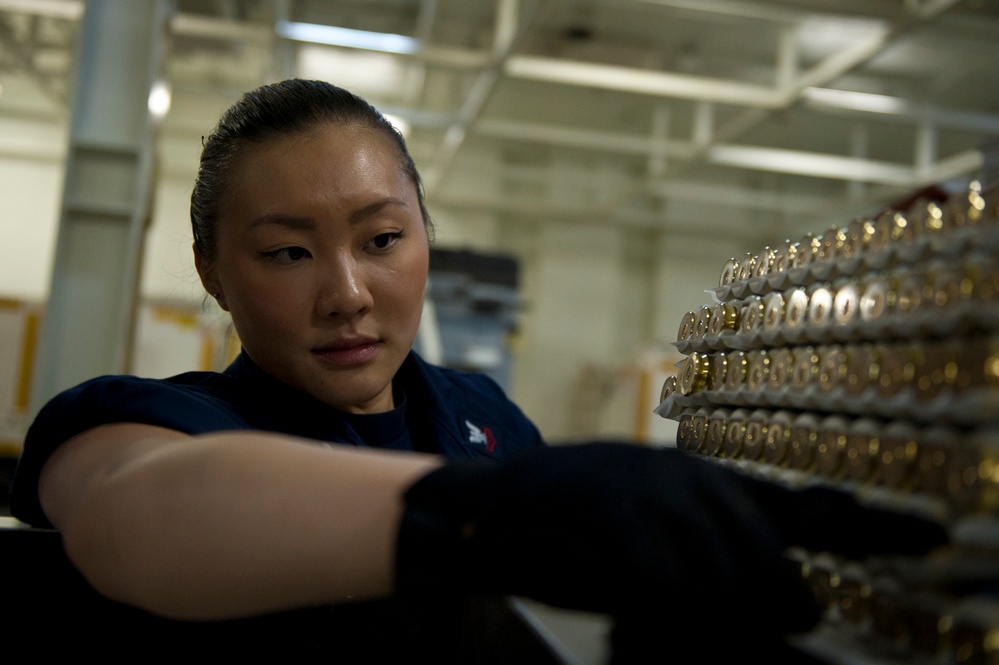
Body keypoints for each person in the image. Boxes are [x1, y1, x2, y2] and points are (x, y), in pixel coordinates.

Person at [7, 79, 947, 662]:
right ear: (213, 272)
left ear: (425, 238)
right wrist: (478, 516)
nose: (346, 294)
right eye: (287, 253)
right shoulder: (143, 419)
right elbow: (137, 517)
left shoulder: (482, 417)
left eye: (381, 239)